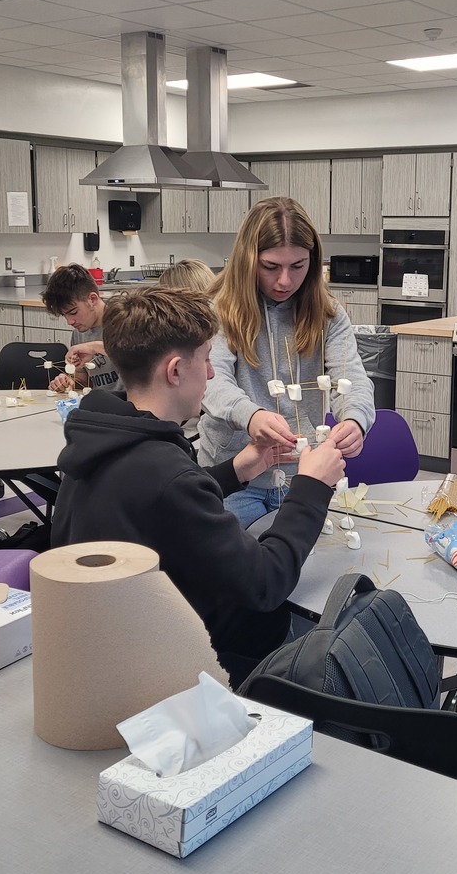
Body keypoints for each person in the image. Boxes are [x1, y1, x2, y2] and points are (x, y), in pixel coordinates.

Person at [51, 286, 345, 687]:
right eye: (206, 360)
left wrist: (236, 470)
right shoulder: (167, 473)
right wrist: (311, 487)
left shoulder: (106, 438)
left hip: (114, 647)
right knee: (335, 633)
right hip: (180, 666)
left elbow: (161, 505)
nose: (211, 373)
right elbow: (266, 582)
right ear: (175, 371)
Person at [196, 196, 375, 529]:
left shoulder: (328, 315)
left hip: (302, 476)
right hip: (235, 477)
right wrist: (250, 415)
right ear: (248, 261)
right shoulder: (216, 311)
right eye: (271, 266)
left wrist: (355, 419)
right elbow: (211, 380)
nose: (285, 281)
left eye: (298, 266)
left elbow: (351, 377)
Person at [40, 263, 120, 392]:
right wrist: (69, 383)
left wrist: (93, 347)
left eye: (73, 312)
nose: (69, 322)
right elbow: (84, 382)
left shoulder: (125, 322)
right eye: (64, 315)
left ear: (92, 299)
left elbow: (137, 357)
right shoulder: (80, 332)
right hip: (101, 404)